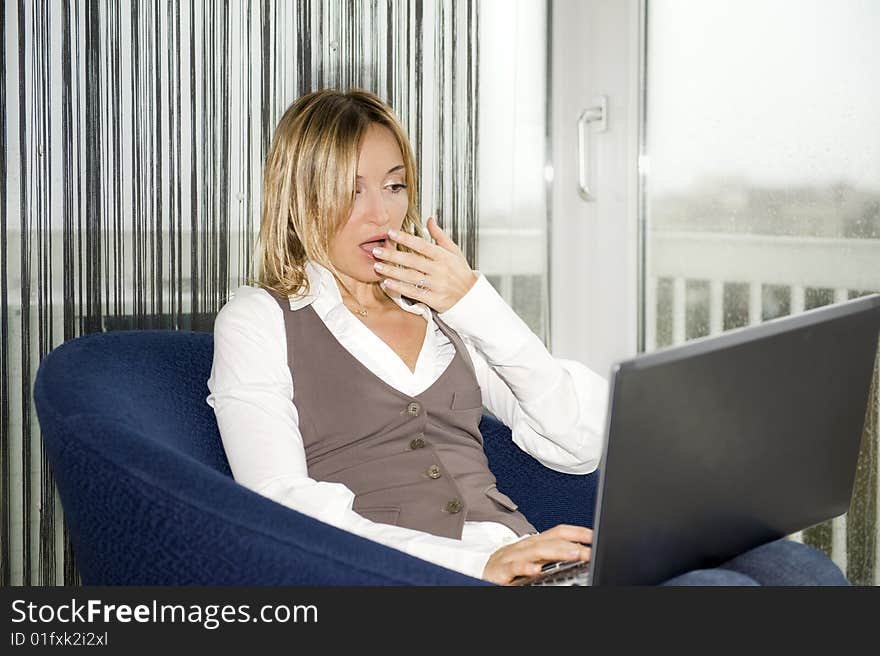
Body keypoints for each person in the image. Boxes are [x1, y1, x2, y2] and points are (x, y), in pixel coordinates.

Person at [207, 88, 848, 586]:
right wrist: (476, 565)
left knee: (797, 570)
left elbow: (577, 445)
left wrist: (474, 304)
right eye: (352, 192)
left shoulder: (442, 314)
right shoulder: (261, 317)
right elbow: (279, 504)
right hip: (413, 580)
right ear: (300, 199)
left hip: (538, 570)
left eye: (395, 185)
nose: (384, 213)